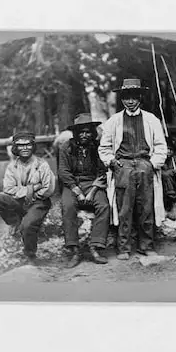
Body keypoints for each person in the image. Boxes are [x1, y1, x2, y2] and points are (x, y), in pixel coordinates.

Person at [98, 78, 168, 260]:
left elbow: (161, 147)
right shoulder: (113, 121)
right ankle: (124, 247)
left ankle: (147, 246)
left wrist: (152, 164)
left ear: (140, 97)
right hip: (123, 165)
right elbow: (104, 148)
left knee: (146, 208)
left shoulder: (151, 120)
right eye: (126, 97)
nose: (130, 101)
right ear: (122, 99)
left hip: (145, 165)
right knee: (125, 208)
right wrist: (112, 162)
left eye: (134, 97)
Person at [0, 132, 56, 263]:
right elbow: (8, 189)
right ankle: (14, 222)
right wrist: (32, 188)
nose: (25, 148)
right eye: (21, 146)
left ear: (33, 146)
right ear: (15, 148)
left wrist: (33, 194)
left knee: (27, 226)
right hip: (19, 202)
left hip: (39, 202)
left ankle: (30, 254)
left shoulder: (42, 164)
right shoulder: (12, 167)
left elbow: (48, 189)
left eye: (28, 145)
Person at [58, 113, 110, 267]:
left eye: (88, 131)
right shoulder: (65, 147)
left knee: (104, 206)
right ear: (76, 133)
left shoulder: (99, 147)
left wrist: (93, 191)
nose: (85, 135)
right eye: (81, 132)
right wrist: (78, 192)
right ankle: (74, 250)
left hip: (93, 182)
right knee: (67, 207)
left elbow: (103, 171)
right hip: (72, 183)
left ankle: (95, 247)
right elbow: (64, 172)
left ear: (93, 132)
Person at [161, 137, 176, 220]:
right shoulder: (159, 159)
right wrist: (167, 172)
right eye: (167, 149)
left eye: (171, 150)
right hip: (161, 187)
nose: (168, 152)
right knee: (165, 175)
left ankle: (172, 205)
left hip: (174, 187)